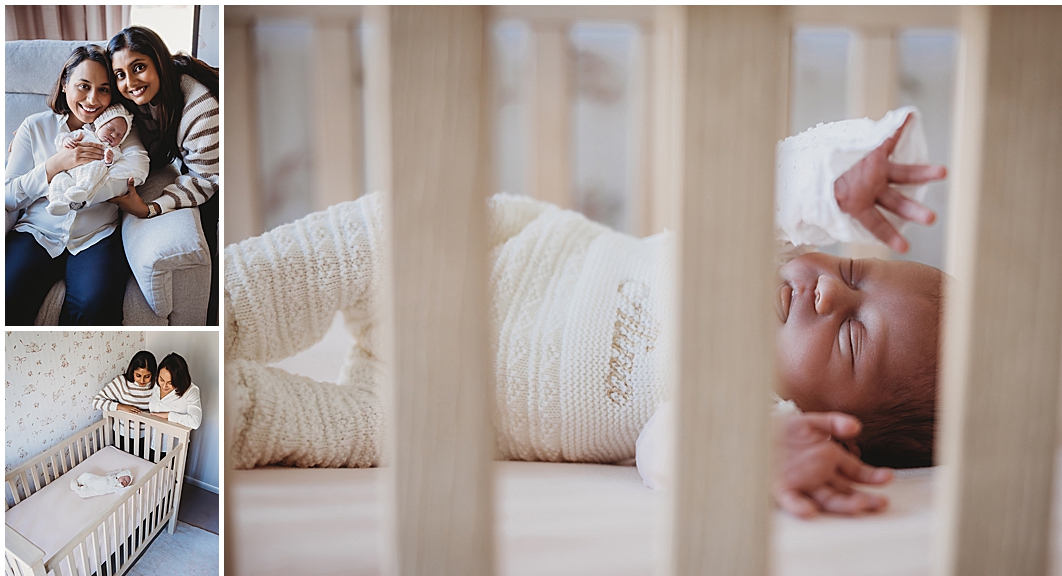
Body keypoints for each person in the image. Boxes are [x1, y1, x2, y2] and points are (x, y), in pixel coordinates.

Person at [223, 109, 946, 519]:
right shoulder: (743, 248)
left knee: (297, 426)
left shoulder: (729, 405)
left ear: (831, 426)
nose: (828, 289)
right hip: (472, 262)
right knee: (361, 239)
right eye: (853, 270)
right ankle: (217, 306)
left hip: (434, 410)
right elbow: (767, 185)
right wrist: (834, 179)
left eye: (852, 337)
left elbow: (666, 451)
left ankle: (207, 407)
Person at [5, 45, 150, 325]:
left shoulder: (118, 129)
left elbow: (137, 167)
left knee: (95, 306)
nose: (93, 99)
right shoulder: (34, 127)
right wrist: (55, 165)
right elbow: (9, 197)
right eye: (83, 86)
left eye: (104, 89)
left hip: (96, 236)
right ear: (64, 84)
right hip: (37, 232)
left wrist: (88, 194)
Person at [106, 26, 220, 325]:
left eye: (139, 68)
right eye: (120, 75)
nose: (130, 82)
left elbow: (205, 180)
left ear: (159, 61)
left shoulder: (200, 107)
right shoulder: (136, 102)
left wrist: (150, 208)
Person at [47, 105, 139, 215]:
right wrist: (65, 140)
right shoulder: (83, 133)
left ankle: (82, 189)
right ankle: (57, 202)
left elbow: (114, 162)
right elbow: (60, 138)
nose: (114, 135)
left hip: (88, 171)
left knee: (98, 167)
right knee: (58, 179)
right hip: (68, 171)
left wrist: (109, 159)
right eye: (110, 128)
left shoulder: (113, 149)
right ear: (99, 124)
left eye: (120, 136)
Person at [148, 352, 202, 430]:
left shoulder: (191, 391)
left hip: (176, 440)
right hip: (152, 438)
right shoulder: (155, 385)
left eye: (170, 383)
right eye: (161, 379)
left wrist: (169, 415)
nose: (164, 386)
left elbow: (195, 422)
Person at [93, 349, 157, 413]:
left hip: (147, 422)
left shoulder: (156, 385)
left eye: (147, 376)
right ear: (132, 372)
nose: (142, 380)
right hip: (124, 422)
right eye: (138, 375)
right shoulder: (121, 382)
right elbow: (96, 402)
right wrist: (121, 407)